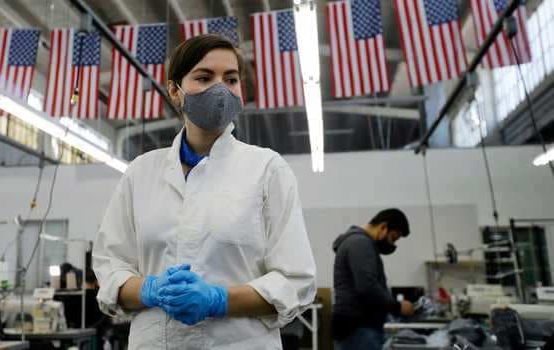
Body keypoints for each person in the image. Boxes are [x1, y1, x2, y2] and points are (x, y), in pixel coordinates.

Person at [93, 34, 316, 349]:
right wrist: (149, 289)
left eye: (231, 78)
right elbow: (110, 267)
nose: (220, 88)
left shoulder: (267, 170)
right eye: (204, 77)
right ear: (175, 91)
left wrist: (218, 299)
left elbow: (295, 280)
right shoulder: (141, 173)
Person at [332, 208, 414, 350]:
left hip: (356, 328)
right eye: (393, 238)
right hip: (358, 329)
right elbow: (367, 287)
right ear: (383, 227)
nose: (393, 244)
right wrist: (398, 306)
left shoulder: (358, 242)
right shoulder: (360, 243)